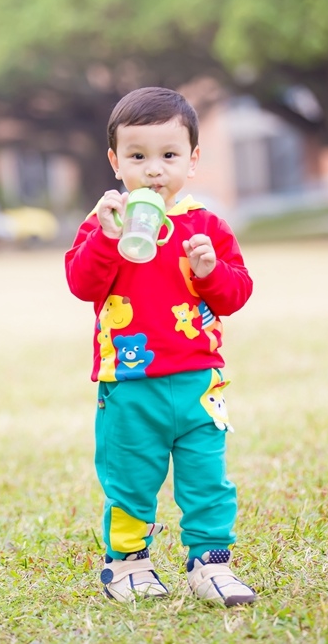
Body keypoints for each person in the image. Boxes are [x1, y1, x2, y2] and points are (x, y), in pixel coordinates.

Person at [64, 87, 256, 606]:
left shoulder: (206, 227)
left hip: (198, 382)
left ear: (193, 160)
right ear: (115, 162)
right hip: (128, 386)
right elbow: (82, 285)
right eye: (138, 156)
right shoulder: (104, 224)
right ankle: (127, 565)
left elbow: (237, 293)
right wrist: (105, 238)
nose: (154, 170)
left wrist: (210, 270)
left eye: (169, 155)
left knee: (207, 480)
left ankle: (210, 565)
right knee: (130, 480)